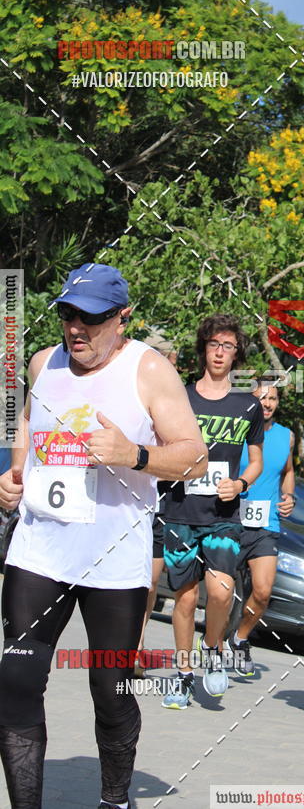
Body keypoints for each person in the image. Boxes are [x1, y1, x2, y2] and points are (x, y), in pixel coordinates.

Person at [0, 264, 207, 809]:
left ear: (122, 318)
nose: (77, 329)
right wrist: (14, 474)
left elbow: (194, 456)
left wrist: (134, 455)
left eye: (91, 319)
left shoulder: (148, 370)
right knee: (16, 680)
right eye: (69, 314)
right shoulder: (45, 361)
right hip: (40, 549)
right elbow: (26, 423)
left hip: (113, 561)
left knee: (109, 693)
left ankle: (114, 800)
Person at [161, 315, 264, 709]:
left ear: (237, 355)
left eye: (229, 346)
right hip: (181, 510)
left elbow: (254, 461)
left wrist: (240, 484)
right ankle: (184, 675)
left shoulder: (248, 405)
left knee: (221, 590)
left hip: (224, 513)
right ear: (204, 348)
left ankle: (214, 647)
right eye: (214, 344)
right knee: (185, 600)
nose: (220, 352)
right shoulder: (181, 398)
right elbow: (163, 446)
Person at [229, 379, 295, 675]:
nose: (267, 403)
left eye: (273, 398)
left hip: (266, 524)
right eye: (262, 397)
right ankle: (213, 644)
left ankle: (239, 639)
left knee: (263, 591)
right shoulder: (236, 432)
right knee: (222, 592)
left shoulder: (286, 437)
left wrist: (289, 495)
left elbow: (289, 470)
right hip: (229, 520)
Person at [134, 336, 179, 678]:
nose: (168, 365)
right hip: (129, 498)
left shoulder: (179, 401)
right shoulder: (132, 393)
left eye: (173, 360)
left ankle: (136, 646)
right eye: (163, 358)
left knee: (150, 583)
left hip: (164, 502)